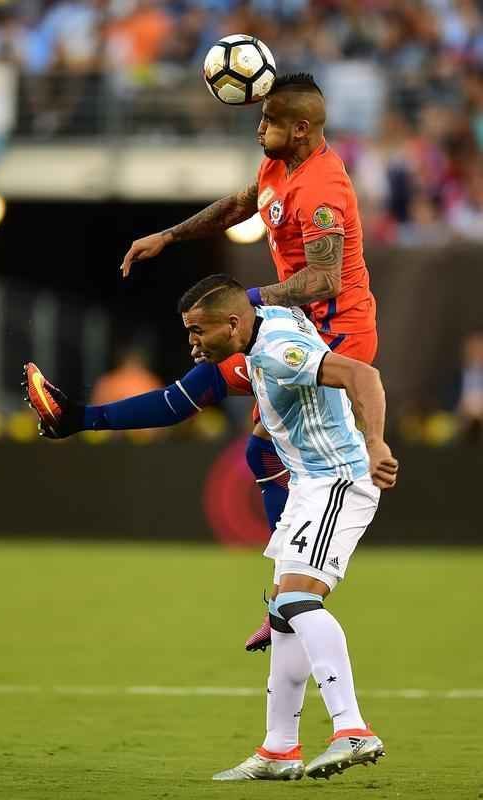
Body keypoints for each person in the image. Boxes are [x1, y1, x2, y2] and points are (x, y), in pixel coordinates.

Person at [23, 274, 397, 782]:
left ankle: (351, 729)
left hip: (338, 479)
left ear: (233, 323)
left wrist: (376, 444)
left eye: (199, 331)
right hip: (310, 484)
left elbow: (362, 375)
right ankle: (278, 750)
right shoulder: (261, 327)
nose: (193, 343)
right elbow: (177, 401)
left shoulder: (277, 350)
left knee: (295, 602)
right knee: (285, 615)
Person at [119, 72, 378, 651]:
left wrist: (249, 301)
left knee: (285, 449)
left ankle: (294, 595)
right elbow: (240, 205)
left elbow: (326, 279)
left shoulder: (322, 189)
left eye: (269, 121)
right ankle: (286, 594)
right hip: (297, 326)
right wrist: (169, 236)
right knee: (259, 447)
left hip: (337, 334)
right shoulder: (277, 167)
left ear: (301, 128)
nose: (259, 128)